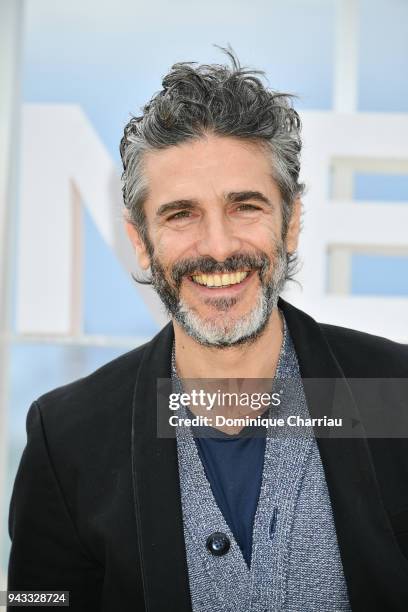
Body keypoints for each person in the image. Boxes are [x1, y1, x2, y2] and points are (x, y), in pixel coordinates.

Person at [7, 51, 408, 612]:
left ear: (290, 223)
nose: (218, 247)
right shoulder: (67, 437)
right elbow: (36, 602)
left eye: (245, 207)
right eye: (181, 214)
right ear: (142, 240)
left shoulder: (396, 394)